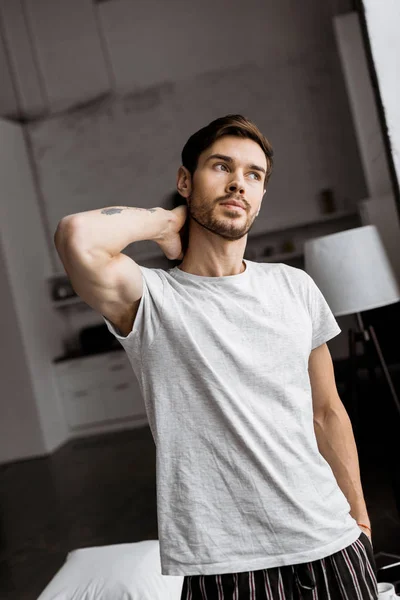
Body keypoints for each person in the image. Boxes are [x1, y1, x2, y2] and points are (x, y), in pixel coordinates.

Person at [54, 115, 378, 599]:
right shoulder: (150, 296)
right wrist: (165, 224)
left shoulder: (294, 286)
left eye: (254, 175)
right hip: (227, 565)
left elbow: (327, 412)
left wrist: (361, 519)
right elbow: (74, 234)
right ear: (185, 181)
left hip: (331, 539)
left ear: (263, 195)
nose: (237, 184)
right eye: (220, 167)